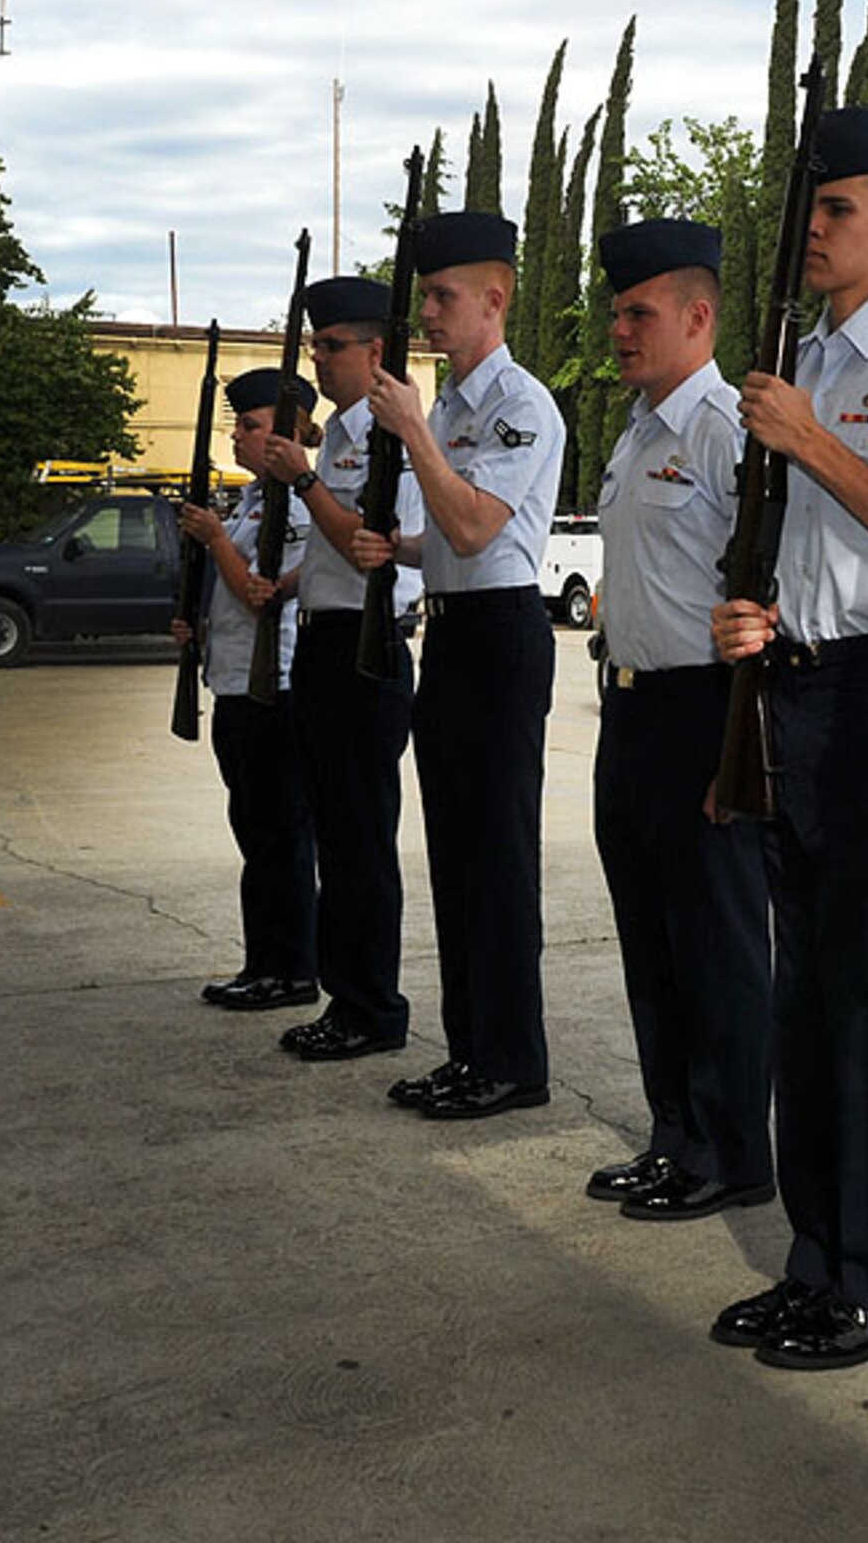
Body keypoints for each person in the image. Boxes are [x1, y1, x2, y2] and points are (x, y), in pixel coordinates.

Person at [707, 108, 868, 1368]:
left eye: (837, 207)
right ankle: (814, 1258)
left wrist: (805, 438)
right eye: (808, 206)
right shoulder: (793, 348)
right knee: (801, 996)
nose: (812, 227)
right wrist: (752, 613)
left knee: (861, 1001)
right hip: (788, 684)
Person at [352, 211, 565, 1119]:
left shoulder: (520, 405)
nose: (430, 315)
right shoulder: (448, 406)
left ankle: (513, 1061)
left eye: (443, 297)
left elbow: (480, 525)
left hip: (502, 637)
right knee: (454, 855)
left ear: (494, 298)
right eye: (426, 296)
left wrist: (417, 436)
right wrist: (395, 550)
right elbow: (448, 536)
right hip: (449, 628)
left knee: (499, 859)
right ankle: (469, 1047)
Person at [582, 217, 774, 1220]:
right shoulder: (638, 428)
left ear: (698, 317)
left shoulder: (724, 428)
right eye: (616, 311)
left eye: (638, 312)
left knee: (717, 947)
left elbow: (763, 586)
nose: (619, 328)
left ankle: (733, 1148)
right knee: (650, 940)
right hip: (631, 713)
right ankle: (674, 1135)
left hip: (706, 709)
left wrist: (738, 741)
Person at [260, 275, 425, 1062]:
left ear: (375, 351)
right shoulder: (343, 437)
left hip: (368, 642)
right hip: (324, 640)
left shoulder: (385, 437)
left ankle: (371, 1006)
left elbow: (365, 542)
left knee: (360, 837)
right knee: (334, 829)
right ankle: (344, 996)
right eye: (318, 344)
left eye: (333, 346)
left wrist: (303, 479)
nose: (320, 361)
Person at [180, 368, 320, 1014]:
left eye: (251, 425)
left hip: (276, 687)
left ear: (287, 434)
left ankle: (288, 969)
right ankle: (263, 960)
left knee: (279, 837)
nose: (238, 436)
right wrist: (198, 627)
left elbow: (259, 592)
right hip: (235, 684)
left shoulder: (295, 501)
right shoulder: (256, 499)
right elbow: (233, 602)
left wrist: (213, 541)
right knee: (255, 833)